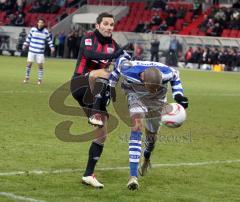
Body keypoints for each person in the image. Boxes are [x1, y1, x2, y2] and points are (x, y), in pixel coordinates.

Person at [109, 54, 189, 190]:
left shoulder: (167, 72)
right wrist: (110, 88)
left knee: (151, 136)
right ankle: (133, 176)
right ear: (142, 78)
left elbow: (176, 76)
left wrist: (178, 96)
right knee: (136, 126)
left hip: (158, 101)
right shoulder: (128, 69)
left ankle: (146, 156)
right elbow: (117, 67)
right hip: (136, 95)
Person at [70, 12, 128, 188]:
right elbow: (88, 53)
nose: (110, 27)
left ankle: (88, 174)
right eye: (106, 24)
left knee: (102, 133)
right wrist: (114, 56)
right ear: (97, 25)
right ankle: (96, 111)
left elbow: (122, 61)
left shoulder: (113, 44)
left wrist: (126, 59)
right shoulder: (88, 37)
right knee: (104, 73)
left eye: (112, 24)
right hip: (80, 84)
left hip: (97, 90)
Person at [22, 18, 54, 85]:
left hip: (40, 52)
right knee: (29, 64)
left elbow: (49, 40)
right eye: (39, 22)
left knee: (40, 65)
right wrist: (25, 45)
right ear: (37, 23)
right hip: (31, 50)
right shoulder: (33, 29)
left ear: (43, 24)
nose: (40, 23)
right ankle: (26, 78)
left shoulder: (45, 31)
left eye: (42, 22)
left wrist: (52, 47)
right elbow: (28, 38)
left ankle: (39, 80)